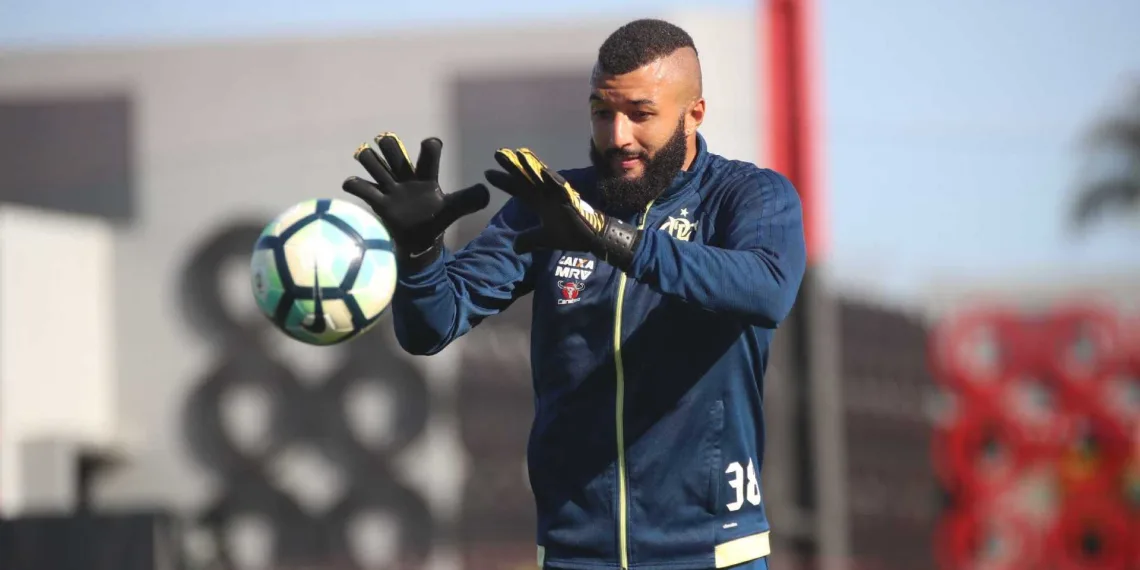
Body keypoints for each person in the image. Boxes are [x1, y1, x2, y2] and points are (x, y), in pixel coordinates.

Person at [342, 18, 806, 570]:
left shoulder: (749, 196)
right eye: (602, 112)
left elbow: (767, 289)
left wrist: (612, 240)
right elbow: (431, 327)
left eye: (640, 114)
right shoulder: (552, 204)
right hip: (576, 553)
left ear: (694, 114)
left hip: (713, 551)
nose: (618, 136)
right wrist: (419, 254)